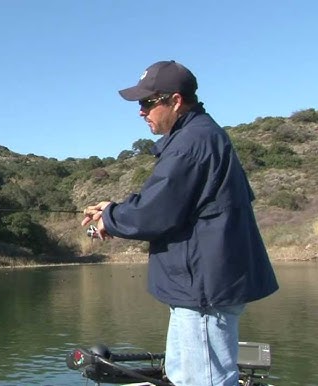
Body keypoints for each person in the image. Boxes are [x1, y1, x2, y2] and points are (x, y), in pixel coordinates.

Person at [81, 60, 278, 386]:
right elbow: (174, 202)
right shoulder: (200, 136)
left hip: (202, 289)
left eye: (147, 102)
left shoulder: (191, 144)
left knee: (204, 380)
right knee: (184, 375)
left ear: (174, 100)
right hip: (202, 285)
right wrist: (113, 210)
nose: (141, 112)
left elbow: (154, 214)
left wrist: (110, 219)